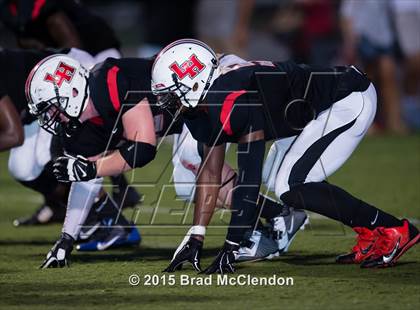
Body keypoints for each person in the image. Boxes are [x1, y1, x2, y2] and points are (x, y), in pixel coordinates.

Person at [151, 39, 419, 273]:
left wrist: (231, 246)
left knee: (290, 184)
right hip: (308, 115)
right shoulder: (206, 104)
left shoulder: (236, 97)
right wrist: (196, 236)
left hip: (346, 99)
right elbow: (210, 172)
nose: (165, 102)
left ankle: (394, 229)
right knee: (277, 180)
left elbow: (248, 178)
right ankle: (370, 231)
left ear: (194, 82)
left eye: (170, 94)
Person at [26, 52, 305, 267]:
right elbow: (84, 178)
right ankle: (276, 215)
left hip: (205, 90)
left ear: (71, 91)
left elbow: (144, 148)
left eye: (50, 108)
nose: (50, 118)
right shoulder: (78, 126)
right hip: (183, 115)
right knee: (186, 185)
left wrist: (92, 167)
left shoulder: (106, 82)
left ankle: (275, 216)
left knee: (191, 159)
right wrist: (66, 239)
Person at [0, 0, 120, 60]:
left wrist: (72, 63)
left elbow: (72, 43)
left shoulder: (45, 8)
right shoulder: (7, 9)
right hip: (61, 47)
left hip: (96, 47)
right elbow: (23, 38)